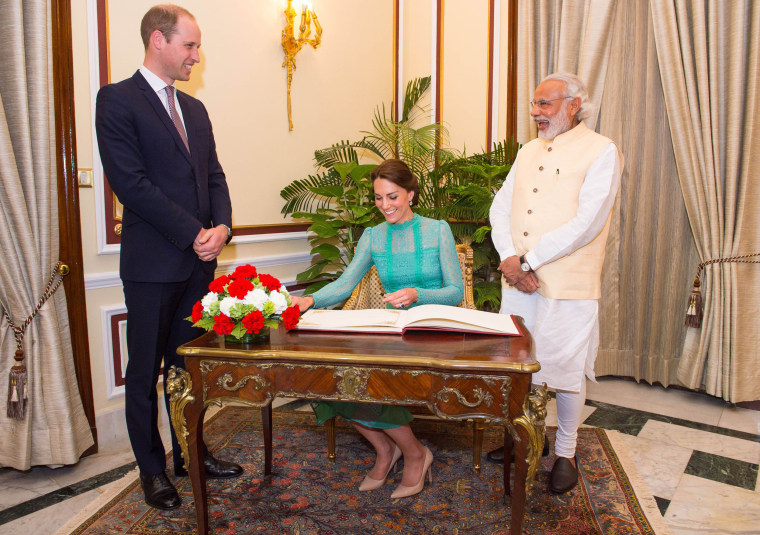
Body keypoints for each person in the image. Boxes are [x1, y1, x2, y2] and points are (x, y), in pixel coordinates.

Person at [95, 4, 242, 511]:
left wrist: (221, 228)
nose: (196, 57)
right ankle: (153, 471)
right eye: (190, 45)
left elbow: (215, 177)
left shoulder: (195, 110)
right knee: (145, 373)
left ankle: (191, 454)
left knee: (189, 369)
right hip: (152, 267)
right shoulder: (116, 100)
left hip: (198, 265)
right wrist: (194, 231)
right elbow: (131, 185)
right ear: (159, 40)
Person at [291, 159, 464, 499]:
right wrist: (308, 301)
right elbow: (343, 285)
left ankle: (415, 453)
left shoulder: (437, 229)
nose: (385, 206)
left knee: (373, 383)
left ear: (411, 194)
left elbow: (455, 291)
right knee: (329, 381)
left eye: (393, 197)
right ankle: (387, 450)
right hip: (392, 330)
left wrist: (418, 294)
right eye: (378, 198)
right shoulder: (373, 236)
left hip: (431, 330)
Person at [487, 72, 623, 494]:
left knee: (564, 370)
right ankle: (529, 438)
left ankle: (565, 451)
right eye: (534, 104)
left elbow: (588, 222)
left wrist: (528, 260)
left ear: (573, 105)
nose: (535, 112)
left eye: (544, 104)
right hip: (518, 282)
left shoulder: (602, 151)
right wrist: (510, 261)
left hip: (568, 286)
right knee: (520, 366)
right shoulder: (528, 150)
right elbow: (501, 207)